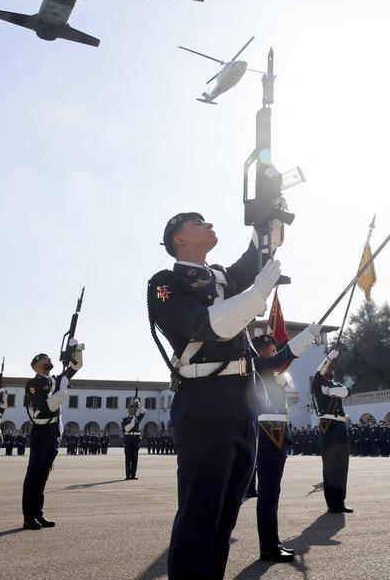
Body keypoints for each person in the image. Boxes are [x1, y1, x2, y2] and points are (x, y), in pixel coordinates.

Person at [148, 211, 313, 580]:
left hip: (240, 407)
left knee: (225, 517)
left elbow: (255, 258)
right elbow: (204, 326)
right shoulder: (167, 282)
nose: (209, 226)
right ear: (179, 239)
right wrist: (255, 295)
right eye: (197, 223)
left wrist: (266, 219)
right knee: (199, 515)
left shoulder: (222, 276)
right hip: (203, 405)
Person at [252, 331, 312, 563]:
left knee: (272, 491)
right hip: (269, 436)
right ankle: (268, 546)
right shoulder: (257, 364)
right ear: (261, 351)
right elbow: (280, 359)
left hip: (277, 435)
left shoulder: (269, 373)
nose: (275, 352)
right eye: (272, 349)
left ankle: (272, 541)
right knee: (268, 491)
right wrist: (308, 334)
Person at [22, 346, 82, 530]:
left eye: (48, 358)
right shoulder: (33, 384)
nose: (48, 360)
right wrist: (62, 392)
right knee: (34, 475)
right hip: (42, 432)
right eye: (43, 359)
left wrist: (77, 348)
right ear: (35, 366)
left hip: (54, 433)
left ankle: (38, 514)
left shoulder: (56, 380)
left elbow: (76, 366)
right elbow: (46, 407)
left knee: (43, 476)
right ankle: (28, 517)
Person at [312, 350, 353, 514]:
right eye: (327, 367)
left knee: (342, 465)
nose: (329, 369)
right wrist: (328, 357)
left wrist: (331, 391)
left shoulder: (335, 385)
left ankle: (340, 500)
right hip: (327, 425)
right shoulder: (317, 384)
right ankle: (332, 503)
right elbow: (318, 374)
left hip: (341, 425)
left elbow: (347, 392)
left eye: (331, 367)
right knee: (330, 465)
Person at [122, 399, 146, 480]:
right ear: (128, 411)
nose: (131, 411)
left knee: (135, 458)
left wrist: (138, 404)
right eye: (130, 410)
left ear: (135, 410)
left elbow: (143, 412)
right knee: (128, 458)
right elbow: (126, 429)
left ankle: (133, 474)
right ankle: (128, 475)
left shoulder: (137, 418)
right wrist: (132, 422)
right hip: (128, 440)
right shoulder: (125, 419)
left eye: (133, 410)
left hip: (136, 440)